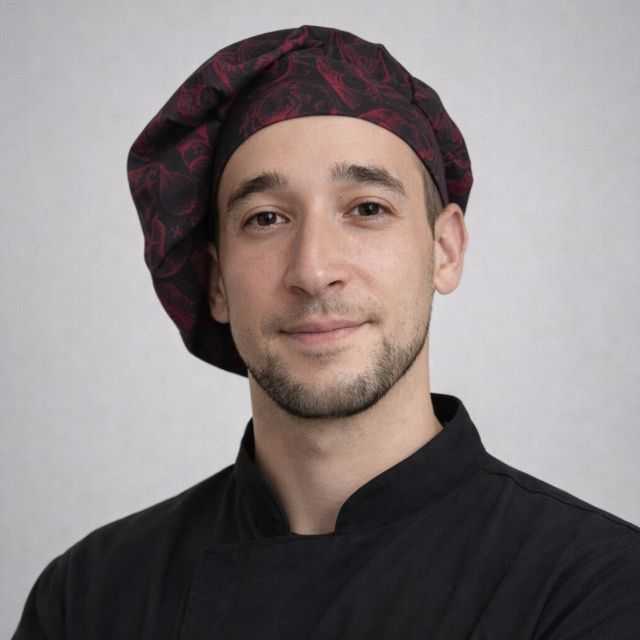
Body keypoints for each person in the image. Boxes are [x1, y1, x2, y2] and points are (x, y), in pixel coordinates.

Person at [12, 24, 640, 639]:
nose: (313, 271)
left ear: (445, 250)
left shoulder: (599, 590)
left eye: (367, 208)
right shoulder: (90, 597)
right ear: (217, 281)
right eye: (266, 219)